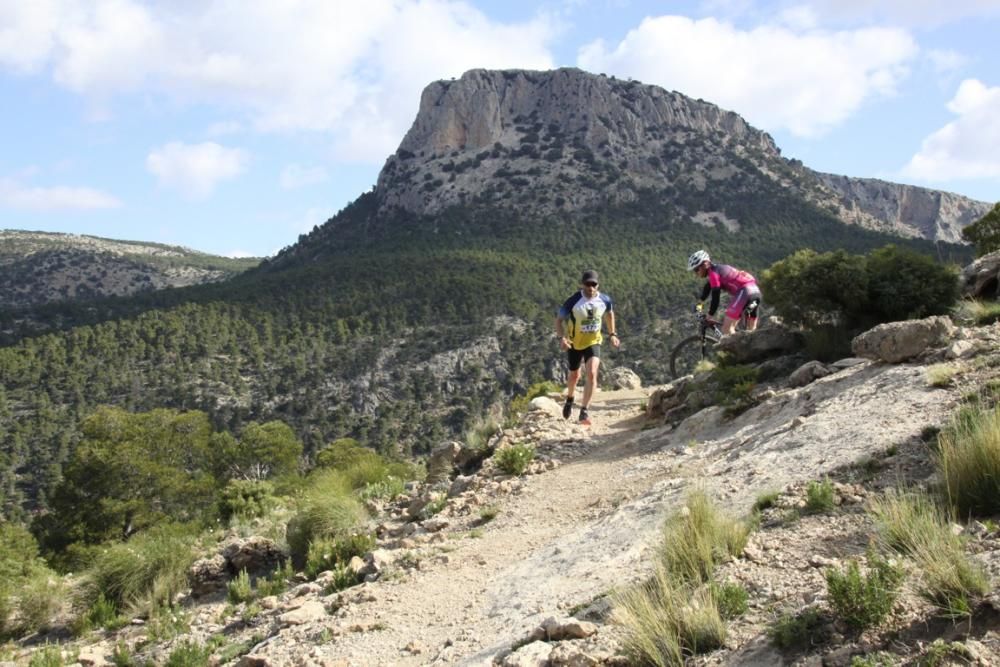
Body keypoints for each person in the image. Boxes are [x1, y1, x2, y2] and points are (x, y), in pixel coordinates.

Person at [554, 269, 620, 426]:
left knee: (591, 373)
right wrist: (561, 338)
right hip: (574, 343)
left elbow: (609, 314)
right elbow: (558, 320)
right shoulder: (573, 300)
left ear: (598, 285)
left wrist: (612, 334)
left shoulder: (605, 300)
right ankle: (570, 398)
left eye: (593, 284)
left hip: (593, 341)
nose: (590, 287)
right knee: (574, 376)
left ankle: (584, 411)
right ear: (582, 284)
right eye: (587, 284)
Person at [687, 250, 762, 334]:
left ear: (705, 264)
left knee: (727, 329)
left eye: (697, 269)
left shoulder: (713, 274)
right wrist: (699, 303)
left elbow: (716, 296)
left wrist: (710, 315)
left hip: (745, 292)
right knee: (751, 332)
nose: (696, 273)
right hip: (755, 291)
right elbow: (707, 288)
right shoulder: (718, 269)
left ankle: (737, 346)